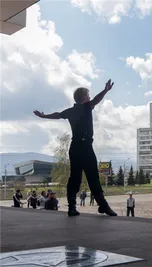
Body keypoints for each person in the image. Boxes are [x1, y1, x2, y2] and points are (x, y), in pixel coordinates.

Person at [34, 80, 117, 217]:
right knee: (93, 178)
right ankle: (103, 205)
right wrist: (106, 90)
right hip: (85, 147)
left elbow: (57, 115)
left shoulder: (70, 111)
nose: (90, 99)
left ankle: (72, 207)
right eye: (88, 96)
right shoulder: (86, 107)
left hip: (74, 147)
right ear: (84, 98)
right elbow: (96, 100)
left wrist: (43, 116)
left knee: (74, 178)